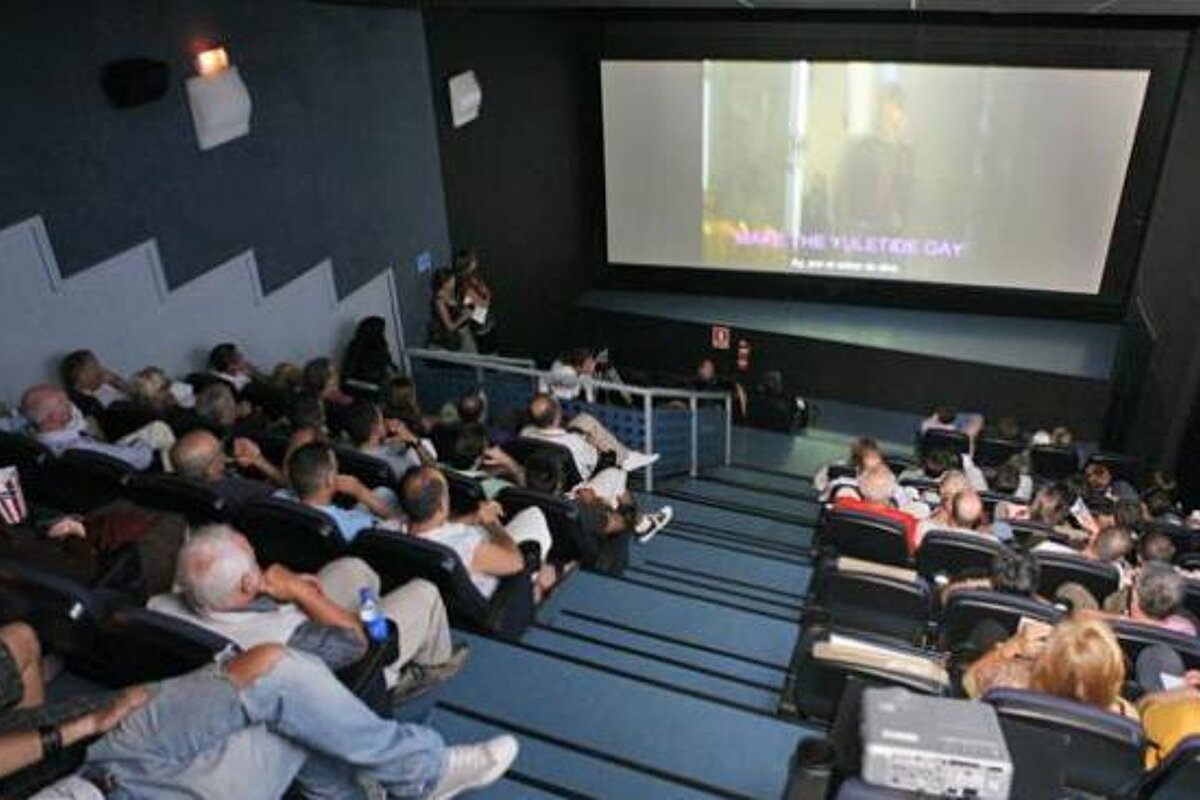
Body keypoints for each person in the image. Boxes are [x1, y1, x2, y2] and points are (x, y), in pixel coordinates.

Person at [2, 633, 517, 798]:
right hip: (111, 780)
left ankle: (413, 775)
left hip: (90, 761)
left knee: (278, 676)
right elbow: (361, 637)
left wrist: (84, 725)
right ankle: (418, 775)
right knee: (289, 703)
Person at [150, 525, 466, 698]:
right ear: (247, 584)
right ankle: (423, 668)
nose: (261, 565)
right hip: (354, 660)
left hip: (269, 620)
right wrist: (299, 592)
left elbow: (240, 605)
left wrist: (280, 591)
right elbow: (363, 644)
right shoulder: (283, 640)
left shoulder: (159, 605)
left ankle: (375, 606)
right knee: (425, 592)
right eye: (255, 563)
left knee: (354, 570)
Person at [401, 466, 560, 599]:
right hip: (499, 591)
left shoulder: (392, 528)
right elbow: (516, 563)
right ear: (442, 505)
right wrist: (492, 524)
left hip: (444, 590)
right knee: (534, 514)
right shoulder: (465, 546)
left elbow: (434, 528)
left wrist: (474, 518)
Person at [278, 442, 401, 543]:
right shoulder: (353, 523)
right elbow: (396, 524)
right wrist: (360, 491)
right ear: (330, 480)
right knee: (385, 493)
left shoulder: (279, 499)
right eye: (336, 469)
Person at [19, 385, 160, 471]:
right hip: (134, 471)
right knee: (160, 431)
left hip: (102, 463)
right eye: (62, 402)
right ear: (52, 417)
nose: (69, 404)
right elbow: (141, 459)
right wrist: (143, 444)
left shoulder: (30, 443)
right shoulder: (79, 447)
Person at [521, 393, 659, 481]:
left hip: (552, 448)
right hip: (578, 472)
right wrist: (587, 439)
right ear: (557, 416)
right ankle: (624, 458)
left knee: (584, 420)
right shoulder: (575, 443)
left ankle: (626, 455)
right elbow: (594, 461)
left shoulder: (526, 432)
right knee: (593, 435)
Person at [170, 430, 281, 510]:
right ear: (211, 470)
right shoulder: (242, 490)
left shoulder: (174, 492)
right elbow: (291, 492)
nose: (224, 455)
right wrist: (259, 460)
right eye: (219, 452)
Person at [834, 464, 920, 555]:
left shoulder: (842, 505)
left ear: (861, 488)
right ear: (893, 492)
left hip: (845, 558)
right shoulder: (907, 521)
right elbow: (910, 552)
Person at [344, 400, 435, 478]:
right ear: (375, 428)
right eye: (382, 419)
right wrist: (413, 440)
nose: (386, 421)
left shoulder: (345, 453)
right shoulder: (392, 464)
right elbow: (432, 470)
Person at [59, 350, 129, 418]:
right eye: (90, 369)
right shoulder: (87, 401)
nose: (99, 369)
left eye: (96, 364)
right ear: (78, 384)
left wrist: (115, 380)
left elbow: (130, 391)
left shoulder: (107, 385)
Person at [455, 249, 497, 354]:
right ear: (467, 264)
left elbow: (487, 295)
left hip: (485, 320)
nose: (476, 261)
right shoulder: (466, 286)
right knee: (489, 353)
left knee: (493, 349)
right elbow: (485, 303)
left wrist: (485, 295)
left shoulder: (473, 278)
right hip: (481, 325)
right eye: (473, 260)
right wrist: (485, 296)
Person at [340, 316, 397, 393]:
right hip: (363, 388)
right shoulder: (357, 347)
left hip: (378, 385)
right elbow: (348, 376)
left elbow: (388, 362)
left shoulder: (381, 344)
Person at [429, 268, 476, 353]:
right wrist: (464, 317)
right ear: (444, 283)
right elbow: (450, 327)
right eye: (451, 280)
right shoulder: (439, 302)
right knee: (472, 359)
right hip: (458, 335)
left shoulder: (450, 292)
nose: (453, 282)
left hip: (465, 331)